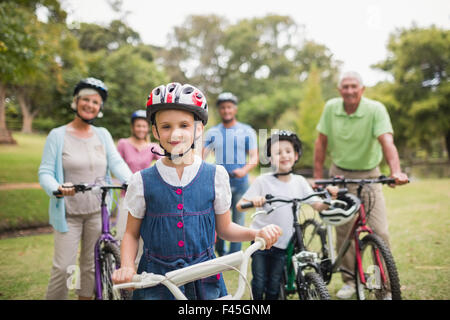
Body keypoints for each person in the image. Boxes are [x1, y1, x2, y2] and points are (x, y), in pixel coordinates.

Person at [112, 82, 281, 300]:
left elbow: (225, 228)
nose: (175, 133)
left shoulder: (215, 175)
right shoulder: (142, 181)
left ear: (198, 129)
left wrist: (254, 233)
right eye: (166, 126)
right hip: (156, 281)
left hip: (205, 278)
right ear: (154, 131)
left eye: (184, 125)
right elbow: (131, 234)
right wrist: (127, 266)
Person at [314, 71, 409, 299]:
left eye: (353, 86)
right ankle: (350, 280)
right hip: (339, 176)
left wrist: (395, 171)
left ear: (362, 89)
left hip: (369, 174)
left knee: (379, 231)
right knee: (344, 232)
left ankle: (381, 286)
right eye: (345, 87)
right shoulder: (331, 108)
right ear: (339, 91)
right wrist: (318, 177)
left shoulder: (375, 109)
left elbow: (387, 141)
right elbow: (321, 143)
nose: (349, 91)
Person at [38, 77, 132, 300]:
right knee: (64, 268)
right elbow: (44, 172)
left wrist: (132, 180)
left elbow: (116, 162)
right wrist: (58, 188)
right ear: (76, 102)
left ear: (99, 108)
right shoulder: (58, 135)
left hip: (97, 212)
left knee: (91, 266)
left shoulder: (103, 134)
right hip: (68, 213)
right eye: (86, 100)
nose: (90, 105)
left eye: (95, 102)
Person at [236, 130, 338, 300]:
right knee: (260, 281)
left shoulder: (299, 181)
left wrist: (329, 197)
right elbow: (240, 206)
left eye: (288, 151)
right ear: (270, 158)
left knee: (274, 283)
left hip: (282, 243)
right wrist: (254, 201)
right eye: (278, 152)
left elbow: (318, 205)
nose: (284, 155)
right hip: (261, 241)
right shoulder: (263, 181)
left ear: (296, 155)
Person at [203, 92, 259, 256]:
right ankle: (221, 253)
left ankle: (235, 256)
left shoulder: (246, 131)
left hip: (240, 182)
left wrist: (244, 170)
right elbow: (202, 154)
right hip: (219, 183)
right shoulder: (213, 132)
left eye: (229, 107)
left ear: (235, 109)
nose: (226, 110)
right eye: (223, 108)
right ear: (219, 110)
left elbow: (254, 157)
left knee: (238, 219)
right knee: (219, 218)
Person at [116, 109, 161, 241]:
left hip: (145, 193)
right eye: (138, 126)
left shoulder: (152, 146)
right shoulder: (123, 143)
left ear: (148, 128)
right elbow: (117, 165)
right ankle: (122, 261)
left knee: (143, 235)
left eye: (144, 126)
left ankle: (139, 261)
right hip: (127, 193)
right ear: (132, 127)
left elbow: (165, 162)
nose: (141, 129)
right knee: (123, 233)